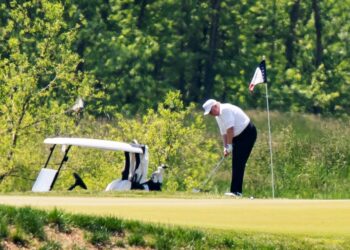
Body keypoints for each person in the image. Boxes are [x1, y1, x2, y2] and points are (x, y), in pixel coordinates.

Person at [202, 99, 257, 197]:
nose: (211, 114)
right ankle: (235, 191)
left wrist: (230, 145)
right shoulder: (217, 116)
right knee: (236, 162)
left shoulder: (225, 110)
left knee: (239, 162)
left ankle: (236, 192)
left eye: (211, 111)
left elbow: (230, 129)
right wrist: (225, 147)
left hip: (247, 134)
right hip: (237, 137)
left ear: (215, 106)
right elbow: (224, 133)